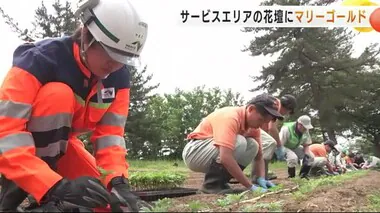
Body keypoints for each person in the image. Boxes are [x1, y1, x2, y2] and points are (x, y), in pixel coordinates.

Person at [0, 0, 148, 212]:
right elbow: (5, 133)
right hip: (21, 154)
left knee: (103, 203)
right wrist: (52, 186)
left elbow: (110, 137)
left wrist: (118, 182)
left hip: (64, 147)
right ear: (87, 35)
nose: (115, 65)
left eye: (123, 58)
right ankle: (22, 196)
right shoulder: (38, 60)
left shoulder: (118, 77)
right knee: (57, 95)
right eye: (110, 54)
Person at [182, 94, 284, 194]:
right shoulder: (230, 117)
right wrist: (250, 186)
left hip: (210, 152)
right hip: (194, 152)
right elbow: (225, 157)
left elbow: (259, 157)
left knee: (253, 145)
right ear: (251, 109)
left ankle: (220, 183)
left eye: (265, 122)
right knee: (239, 141)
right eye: (261, 120)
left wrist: (261, 178)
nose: (261, 125)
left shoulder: (253, 127)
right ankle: (211, 185)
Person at [250, 94, 297, 182]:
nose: (286, 114)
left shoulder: (273, 103)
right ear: (288, 108)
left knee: (263, 148)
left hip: (254, 127)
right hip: (251, 126)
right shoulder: (276, 107)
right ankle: (258, 178)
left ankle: (262, 176)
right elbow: (272, 128)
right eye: (288, 112)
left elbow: (266, 127)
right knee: (270, 143)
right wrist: (279, 146)